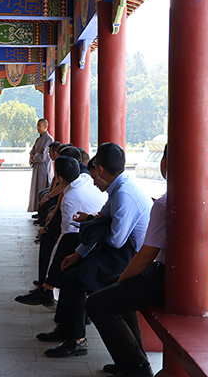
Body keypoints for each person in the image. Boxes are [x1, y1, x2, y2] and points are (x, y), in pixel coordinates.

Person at [85, 145, 208, 377]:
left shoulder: (165, 203)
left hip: (165, 281)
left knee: (97, 303)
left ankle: (136, 366)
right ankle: (132, 355)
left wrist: (122, 280)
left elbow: (146, 256)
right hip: (198, 283)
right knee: (111, 286)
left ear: (166, 163)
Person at [41, 143, 152, 358]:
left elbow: (116, 240)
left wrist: (97, 223)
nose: (93, 183)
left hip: (131, 257)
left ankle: (76, 340)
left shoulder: (124, 195)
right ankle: (66, 329)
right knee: (69, 260)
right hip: (117, 251)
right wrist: (79, 254)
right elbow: (102, 221)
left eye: (93, 177)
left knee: (74, 279)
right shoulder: (119, 188)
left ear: (100, 169)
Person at [15, 156, 107, 307]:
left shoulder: (70, 198)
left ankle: (47, 289)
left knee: (54, 242)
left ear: (59, 177)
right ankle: (45, 286)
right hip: (93, 230)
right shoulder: (84, 178)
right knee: (51, 236)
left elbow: (66, 235)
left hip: (94, 239)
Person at [28, 118, 55, 213]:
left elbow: (44, 156)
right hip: (37, 168)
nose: (37, 128)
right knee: (36, 189)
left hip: (44, 169)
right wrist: (33, 157)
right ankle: (38, 210)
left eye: (39, 125)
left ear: (45, 127)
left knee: (43, 189)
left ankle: (43, 213)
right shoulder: (38, 139)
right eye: (37, 125)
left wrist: (34, 157)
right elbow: (32, 152)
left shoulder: (49, 139)